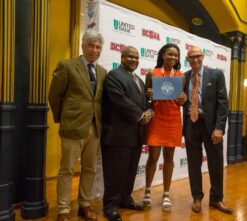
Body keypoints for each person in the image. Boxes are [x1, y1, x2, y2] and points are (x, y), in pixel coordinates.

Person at [48, 30, 106, 221]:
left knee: (90, 169)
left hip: (94, 128)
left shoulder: (102, 72)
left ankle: (84, 206)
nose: (95, 50)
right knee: (67, 170)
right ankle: (63, 210)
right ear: (83, 45)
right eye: (91, 45)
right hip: (73, 126)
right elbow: (54, 95)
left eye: (98, 47)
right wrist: (62, 119)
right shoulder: (67, 66)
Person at [101, 46, 153, 221]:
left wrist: (149, 111)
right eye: (130, 57)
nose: (134, 60)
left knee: (130, 172)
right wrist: (141, 116)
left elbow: (145, 102)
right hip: (118, 136)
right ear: (122, 57)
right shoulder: (113, 76)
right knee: (115, 173)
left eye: (136, 58)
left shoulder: (138, 79)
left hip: (136, 135)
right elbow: (120, 101)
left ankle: (125, 199)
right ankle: (110, 207)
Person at [183, 45, 233, 214]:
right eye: (191, 57)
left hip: (211, 126)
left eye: (198, 56)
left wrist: (219, 128)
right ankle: (197, 198)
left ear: (202, 57)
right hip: (192, 124)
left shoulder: (216, 74)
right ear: (187, 59)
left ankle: (216, 199)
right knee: (193, 164)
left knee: (216, 163)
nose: (195, 59)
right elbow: (178, 100)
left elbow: (223, 103)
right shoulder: (183, 77)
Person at [143, 43, 187, 212]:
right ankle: (147, 190)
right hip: (157, 119)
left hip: (173, 120)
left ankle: (166, 194)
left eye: (176, 55)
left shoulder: (181, 76)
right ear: (162, 55)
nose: (173, 58)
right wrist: (150, 97)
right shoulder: (151, 73)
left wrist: (183, 100)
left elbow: (181, 99)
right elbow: (146, 100)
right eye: (170, 54)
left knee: (169, 158)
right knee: (153, 157)